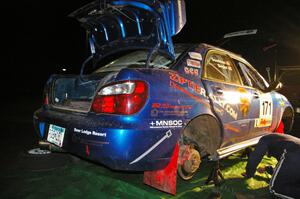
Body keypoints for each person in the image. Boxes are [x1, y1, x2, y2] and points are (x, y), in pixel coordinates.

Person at [245, 133, 300, 198]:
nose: (268, 156)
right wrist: (266, 168)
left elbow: (254, 158)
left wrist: (249, 173)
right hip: (295, 154)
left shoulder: (264, 140)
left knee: (275, 188)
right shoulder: (280, 142)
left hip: (295, 155)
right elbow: (282, 169)